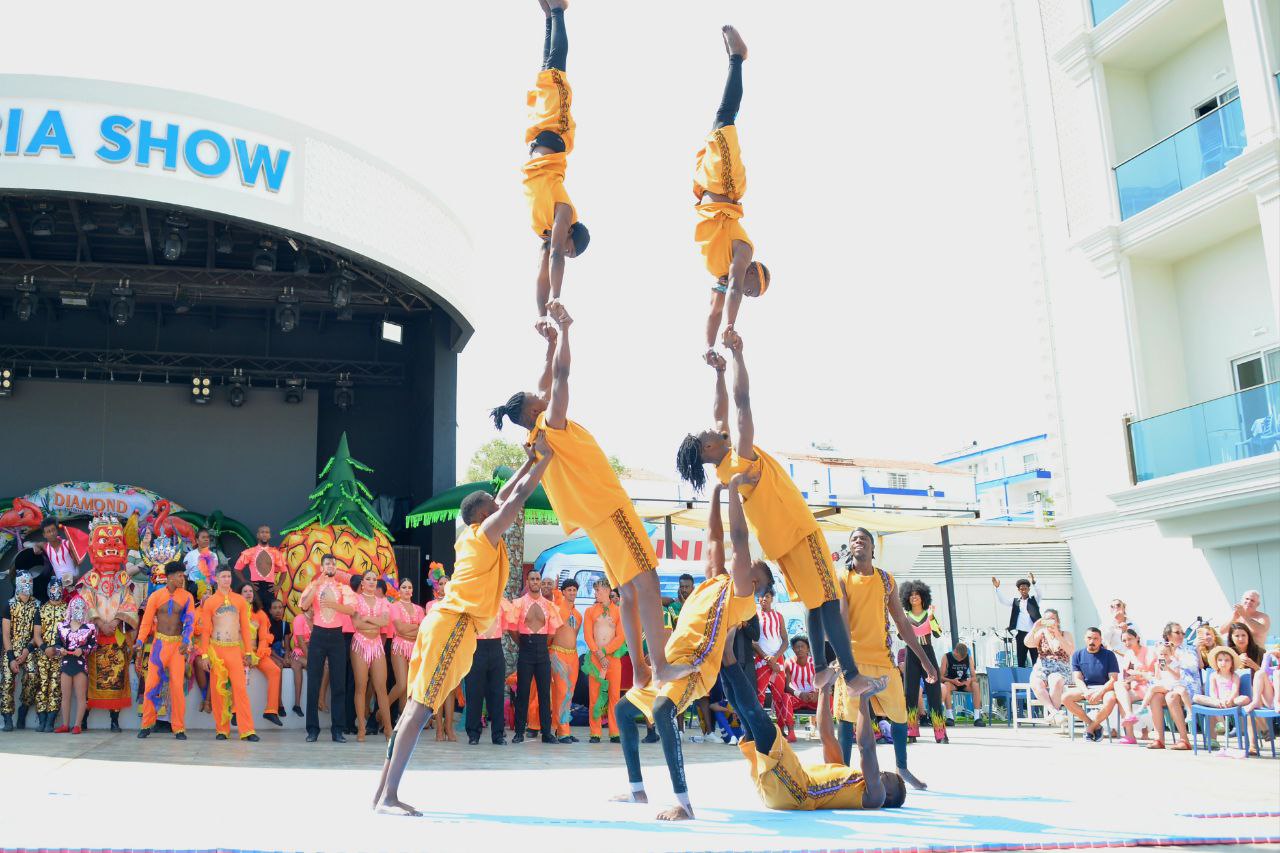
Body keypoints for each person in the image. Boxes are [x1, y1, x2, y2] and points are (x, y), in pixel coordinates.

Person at [675, 331, 881, 702]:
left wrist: (718, 373)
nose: (714, 428)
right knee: (829, 599)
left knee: (815, 601)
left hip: (779, 541)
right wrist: (738, 355)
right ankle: (851, 675)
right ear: (709, 446)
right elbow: (741, 403)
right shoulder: (739, 455)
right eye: (709, 433)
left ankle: (820, 668)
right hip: (799, 531)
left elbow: (721, 410)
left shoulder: (725, 469)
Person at [490, 302, 684, 687]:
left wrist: (548, 345)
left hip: (596, 518)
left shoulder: (537, 433)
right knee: (645, 582)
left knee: (628, 594)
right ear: (532, 412)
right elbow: (561, 376)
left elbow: (547, 378)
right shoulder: (552, 423)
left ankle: (643, 673)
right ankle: (660, 666)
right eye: (536, 399)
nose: (543, 397)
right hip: (609, 508)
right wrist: (564, 330)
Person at [372, 435, 553, 816]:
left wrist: (529, 460)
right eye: (492, 504)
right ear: (480, 514)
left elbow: (506, 493)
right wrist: (544, 461)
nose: (498, 503)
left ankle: (381, 793)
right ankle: (388, 796)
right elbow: (516, 498)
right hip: (452, 626)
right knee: (420, 711)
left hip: (442, 622)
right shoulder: (485, 533)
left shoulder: (473, 535)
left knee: (412, 711)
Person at [610, 476, 765, 822]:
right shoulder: (714, 580)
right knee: (623, 711)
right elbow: (714, 537)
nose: (746, 564)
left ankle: (685, 803)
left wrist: (736, 492)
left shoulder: (742, 598)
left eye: (753, 568)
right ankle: (638, 790)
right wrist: (715, 492)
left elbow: (738, 540)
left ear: (755, 581)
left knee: (664, 711)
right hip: (670, 663)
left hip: (694, 668)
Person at [832, 529, 938, 790]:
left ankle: (902, 767)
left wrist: (925, 661)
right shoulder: (843, 578)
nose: (859, 542)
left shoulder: (886, 580)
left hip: (883, 661)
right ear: (850, 548)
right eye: (854, 540)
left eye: (864, 539)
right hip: (853, 661)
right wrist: (843, 661)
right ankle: (844, 774)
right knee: (847, 719)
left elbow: (901, 622)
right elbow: (842, 621)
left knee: (900, 716)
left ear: (872, 548)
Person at [693, 25, 769, 361]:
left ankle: (734, 62)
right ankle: (738, 58)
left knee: (720, 121)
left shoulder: (720, 275)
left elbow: (713, 310)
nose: (747, 291)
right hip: (724, 185)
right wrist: (733, 324)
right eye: (753, 286)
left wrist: (710, 346)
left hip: (707, 187)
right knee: (725, 119)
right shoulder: (742, 250)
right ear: (753, 268)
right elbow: (736, 288)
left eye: (752, 294)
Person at [733, 682, 906, 812]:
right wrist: (823, 689)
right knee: (744, 715)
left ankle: (728, 657)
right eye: (883, 772)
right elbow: (827, 735)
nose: (880, 772)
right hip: (784, 790)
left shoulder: (875, 798)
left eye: (886, 777)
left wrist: (864, 699)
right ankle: (726, 659)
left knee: (758, 719)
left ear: (888, 795)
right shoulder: (846, 775)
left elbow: (866, 748)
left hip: (796, 792)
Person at [524, 0, 589, 320]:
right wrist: (559, 296)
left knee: (545, 69)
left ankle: (550, 16)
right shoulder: (564, 213)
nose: (563, 249)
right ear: (572, 234)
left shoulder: (546, 231)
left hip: (538, 138)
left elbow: (542, 270)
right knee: (557, 67)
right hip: (554, 135)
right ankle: (560, 11)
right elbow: (555, 262)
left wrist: (541, 313)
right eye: (569, 247)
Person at [198, 567, 260, 742]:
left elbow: (246, 629)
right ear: (216, 579)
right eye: (223, 577)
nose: (226, 579)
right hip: (217, 650)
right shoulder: (210, 602)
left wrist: (248, 651)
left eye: (228, 576)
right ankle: (221, 730)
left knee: (240, 690)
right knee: (218, 692)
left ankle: (247, 730)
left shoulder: (239, 600)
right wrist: (204, 655)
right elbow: (205, 631)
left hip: (234, 649)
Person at [299, 553, 357, 742]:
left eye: (333, 563)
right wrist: (316, 585)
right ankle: (312, 730)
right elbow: (305, 606)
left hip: (337, 637)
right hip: (318, 636)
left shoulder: (343, 587)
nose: (331, 566)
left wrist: (334, 604)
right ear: (322, 567)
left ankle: (337, 730)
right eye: (327, 564)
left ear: (336, 567)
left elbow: (351, 610)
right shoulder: (314, 585)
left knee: (338, 683)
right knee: (313, 682)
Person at [136, 562, 196, 740]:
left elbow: (190, 621)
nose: (182, 578)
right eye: (179, 575)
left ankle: (178, 728)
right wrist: (140, 640)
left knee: (177, 687)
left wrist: (186, 640)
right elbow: (146, 621)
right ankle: (147, 724)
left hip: (178, 647)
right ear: (169, 577)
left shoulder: (187, 597)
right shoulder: (155, 596)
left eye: (182, 575)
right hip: (159, 646)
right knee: (151, 685)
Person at [899, 579, 946, 744]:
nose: (914, 597)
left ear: (923, 597)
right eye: (910, 595)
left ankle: (940, 732)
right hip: (911, 654)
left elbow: (938, 633)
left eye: (916, 594)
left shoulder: (929, 614)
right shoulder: (904, 616)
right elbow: (900, 635)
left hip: (928, 653)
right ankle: (911, 731)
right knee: (910, 693)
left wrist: (932, 618)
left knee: (934, 693)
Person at [349, 570, 394, 742]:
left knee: (381, 688)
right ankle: (361, 727)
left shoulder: (382, 601)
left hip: (376, 644)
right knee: (361, 686)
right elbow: (357, 623)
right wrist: (369, 620)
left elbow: (384, 622)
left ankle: (388, 728)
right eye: (368, 579)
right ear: (362, 582)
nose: (372, 582)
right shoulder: (356, 599)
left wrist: (367, 618)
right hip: (360, 642)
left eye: (374, 579)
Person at [584, 576, 625, 743]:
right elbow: (588, 635)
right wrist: (598, 654)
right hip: (595, 660)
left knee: (614, 695)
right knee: (594, 694)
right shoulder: (590, 611)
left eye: (598, 590)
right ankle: (595, 732)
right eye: (595, 590)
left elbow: (621, 637)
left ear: (608, 591)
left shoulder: (619, 611)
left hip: (613, 660)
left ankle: (614, 732)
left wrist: (606, 652)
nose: (595, 593)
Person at [465, 593, 509, 746]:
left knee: (497, 693)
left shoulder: (501, 602)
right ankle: (473, 733)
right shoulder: (472, 601)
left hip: (496, 647)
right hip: (477, 647)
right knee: (474, 692)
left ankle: (497, 734)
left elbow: (505, 626)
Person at [1061, 627, 1120, 742]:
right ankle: (1095, 726)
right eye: (1089, 638)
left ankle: (1090, 729)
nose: (1092, 641)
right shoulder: (1077, 655)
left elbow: (1113, 679)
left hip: (1104, 688)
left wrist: (1100, 692)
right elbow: (1077, 678)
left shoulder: (1109, 655)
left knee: (1111, 699)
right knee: (1065, 698)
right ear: (1084, 638)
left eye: (1095, 638)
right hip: (1086, 688)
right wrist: (1086, 691)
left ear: (1100, 640)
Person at [2, 573, 42, 731]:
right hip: (11, 647)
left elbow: (37, 635)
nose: (27, 586)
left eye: (29, 582)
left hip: (30, 648)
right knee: (6, 679)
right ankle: (7, 717)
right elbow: (5, 635)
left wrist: (27, 651)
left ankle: (24, 708)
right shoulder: (9, 605)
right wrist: (11, 658)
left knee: (33, 675)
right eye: (24, 582)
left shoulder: (37, 605)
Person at [1146, 622, 1195, 751]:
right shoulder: (1161, 649)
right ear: (1168, 635)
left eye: (1182, 633)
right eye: (1177, 632)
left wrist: (1174, 660)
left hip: (1186, 686)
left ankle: (1184, 740)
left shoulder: (1189, 649)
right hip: (1168, 685)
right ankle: (1159, 739)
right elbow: (1159, 673)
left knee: (1171, 697)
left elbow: (1193, 668)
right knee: (1155, 697)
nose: (1181, 635)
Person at [241, 583, 284, 727]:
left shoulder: (260, 614)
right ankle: (235, 711)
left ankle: (271, 711)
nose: (248, 593)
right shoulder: (235, 612)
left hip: (257, 654)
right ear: (239, 595)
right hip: (239, 653)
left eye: (250, 591)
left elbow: (264, 637)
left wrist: (257, 655)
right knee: (236, 674)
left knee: (275, 671)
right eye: (245, 591)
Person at [753, 587, 793, 741]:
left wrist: (775, 658)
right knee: (760, 696)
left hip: (778, 660)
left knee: (780, 696)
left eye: (767, 596)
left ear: (772, 598)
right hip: (761, 661)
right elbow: (753, 642)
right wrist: (766, 658)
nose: (764, 599)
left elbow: (785, 640)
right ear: (758, 599)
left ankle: (780, 729)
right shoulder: (754, 616)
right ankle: (760, 729)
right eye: (761, 597)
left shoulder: (779, 616)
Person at [52, 596, 96, 734]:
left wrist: (82, 650)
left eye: (82, 607)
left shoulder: (89, 627)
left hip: (80, 663)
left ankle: (77, 725)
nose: (79, 610)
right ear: (71, 608)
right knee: (65, 695)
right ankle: (65, 724)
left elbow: (94, 645)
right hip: (66, 662)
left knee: (81, 696)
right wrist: (61, 650)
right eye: (76, 607)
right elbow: (57, 643)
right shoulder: (62, 626)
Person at [1025, 608, 1073, 723]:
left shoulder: (1065, 634)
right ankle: (1055, 713)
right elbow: (1028, 643)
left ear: (1058, 621)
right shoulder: (1041, 633)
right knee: (1036, 682)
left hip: (1061, 668)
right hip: (1042, 667)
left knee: (1055, 680)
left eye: (1052, 619)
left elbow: (1070, 651)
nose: (1050, 622)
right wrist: (1035, 628)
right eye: (1047, 620)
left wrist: (1057, 634)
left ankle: (1054, 714)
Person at [387, 579, 424, 724]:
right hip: (399, 646)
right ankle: (381, 712)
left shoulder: (419, 609)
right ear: (399, 591)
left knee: (409, 687)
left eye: (410, 587)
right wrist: (415, 626)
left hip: (415, 647)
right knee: (402, 684)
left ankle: (402, 720)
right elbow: (399, 629)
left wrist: (408, 629)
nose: (407, 590)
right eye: (404, 587)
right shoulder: (394, 606)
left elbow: (422, 630)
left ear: (412, 591)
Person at [550, 577, 582, 743]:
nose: (572, 592)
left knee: (568, 694)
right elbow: (551, 634)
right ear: (563, 592)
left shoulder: (578, 615)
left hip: (573, 656)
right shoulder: (557, 609)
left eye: (574, 590)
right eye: (569, 589)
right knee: (562, 692)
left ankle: (558, 727)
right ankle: (564, 732)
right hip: (557, 654)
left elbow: (574, 635)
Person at [34, 578, 68, 732]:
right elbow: (36, 635)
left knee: (55, 686)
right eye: (53, 589)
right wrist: (44, 648)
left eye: (59, 589)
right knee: (42, 685)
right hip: (43, 654)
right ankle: (41, 720)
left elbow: (69, 634)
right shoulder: (41, 609)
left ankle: (50, 720)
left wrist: (58, 648)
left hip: (59, 655)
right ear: (48, 590)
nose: (56, 592)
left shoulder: (68, 610)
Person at [991, 573, 1041, 667]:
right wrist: (997, 588)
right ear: (1018, 590)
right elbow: (1003, 601)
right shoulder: (1016, 602)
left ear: (1029, 589)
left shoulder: (1034, 600)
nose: (1023, 591)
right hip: (1020, 634)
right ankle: (1021, 679)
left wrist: (1034, 581)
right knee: (1021, 659)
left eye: (1025, 588)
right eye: (1021, 589)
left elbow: (1040, 593)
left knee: (1036, 659)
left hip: (1033, 634)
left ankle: (1037, 678)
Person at [1115, 627, 1154, 744]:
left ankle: (1129, 722)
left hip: (1149, 687)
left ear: (1137, 638)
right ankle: (1129, 720)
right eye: (1124, 640)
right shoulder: (1128, 655)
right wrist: (1127, 682)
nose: (1127, 643)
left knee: (1123, 697)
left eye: (1130, 639)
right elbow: (1126, 674)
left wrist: (1137, 675)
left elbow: (1152, 675)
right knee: (1120, 691)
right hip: (1135, 687)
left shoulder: (1149, 652)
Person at [233, 525, 286, 610]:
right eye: (262, 532)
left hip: (270, 588)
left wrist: (279, 585)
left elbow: (284, 571)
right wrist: (247, 583)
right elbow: (237, 569)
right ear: (258, 535)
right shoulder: (250, 552)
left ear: (270, 535)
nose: (264, 534)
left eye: (267, 532)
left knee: (270, 615)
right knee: (255, 613)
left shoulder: (276, 553)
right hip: (255, 587)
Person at [940, 643, 986, 727]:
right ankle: (950, 717)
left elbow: (974, 677)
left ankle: (977, 717)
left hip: (964, 682)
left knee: (975, 685)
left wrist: (969, 681)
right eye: (959, 658)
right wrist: (952, 680)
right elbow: (941, 677)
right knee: (946, 685)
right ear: (955, 652)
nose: (960, 660)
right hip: (951, 682)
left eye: (962, 658)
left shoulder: (968, 658)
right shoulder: (946, 657)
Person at [1193, 646, 1249, 711]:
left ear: (1232, 663)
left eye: (1227, 660)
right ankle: (1219, 705)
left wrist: (1229, 700)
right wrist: (1217, 701)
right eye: (1220, 660)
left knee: (1245, 699)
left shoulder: (1234, 676)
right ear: (1216, 662)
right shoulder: (1213, 675)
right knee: (1196, 697)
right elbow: (1213, 691)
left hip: (1232, 701)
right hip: (1218, 701)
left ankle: (1224, 705)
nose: (1223, 663)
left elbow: (1235, 691)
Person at [182, 528, 222, 599]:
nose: (206, 539)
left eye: (207, 537)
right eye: (203, 537)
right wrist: (184, 592)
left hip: (210, 588)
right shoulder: (190, 555)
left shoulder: (214, 555)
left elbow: (214, 575)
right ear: (197, 540)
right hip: (194, 588)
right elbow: (184, 575)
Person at [287, 607, 311, 718]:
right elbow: (300, 643)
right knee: (301, 666)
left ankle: (317, 699)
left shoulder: (317, 619)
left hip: (312, 652)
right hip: (298, 652)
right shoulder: (299, 618)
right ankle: (297, 704)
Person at [785, 636, 818, 713]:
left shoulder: (814, 663)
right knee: (785, 698)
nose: (800, 649)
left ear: (808, 649)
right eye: (797, 647)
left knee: (827, 698)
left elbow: (820, 683)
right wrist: (799, 694)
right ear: (793, 650)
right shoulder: (788, 663)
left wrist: (817, 694)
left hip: (812, 697)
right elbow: (786, 687)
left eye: (802, 646)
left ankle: (825, 724)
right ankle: (788, 725)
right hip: (796, 697)